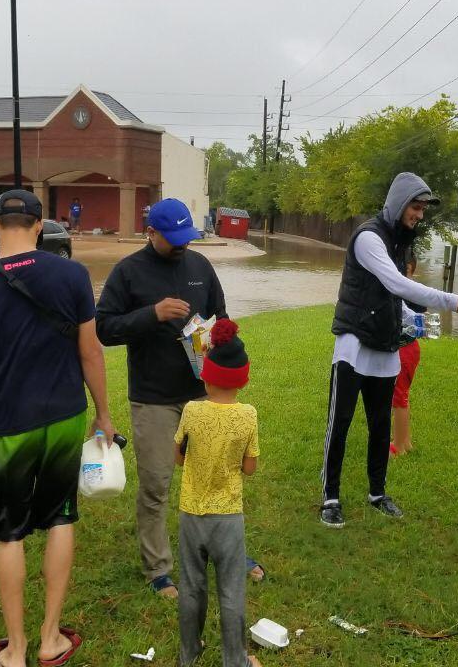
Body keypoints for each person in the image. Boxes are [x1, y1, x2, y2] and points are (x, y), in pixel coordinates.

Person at [0, 189, 116, 667]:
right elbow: (90, 351)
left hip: (13, 421)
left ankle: (16, 649)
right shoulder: (72, 274)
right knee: (61, 517)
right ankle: (51, 638)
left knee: (10, 531)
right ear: (40, 226)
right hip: (65, 414)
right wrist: (103, 413)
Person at [97, 197, 263, 598]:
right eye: (173, 239)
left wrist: (217, 337)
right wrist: (151, 314)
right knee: (156, 482)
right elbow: (104, 328)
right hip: (153, 397)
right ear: (150, 232)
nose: (182, 245)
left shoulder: (200, 266)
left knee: (213, 479)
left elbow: (221, 317)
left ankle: (223, 550)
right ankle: (158, 568)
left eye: (187, 237)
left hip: (201, 393)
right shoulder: (128, 272)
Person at [320, 172, 458, 528]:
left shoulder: (400, 242)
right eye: (416, 207)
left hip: (385, 345)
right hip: (354, 344)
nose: (419, 215)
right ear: (398, 203)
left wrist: (412, 321)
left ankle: (378, 493)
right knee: (340, 424)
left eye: (423, 210)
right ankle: (330, 497)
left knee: (379, 425)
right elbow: (397, 283)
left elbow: (393, 297)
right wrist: (454, 302)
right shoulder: (368, 237)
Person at [174, 318, 262, 667]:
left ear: (205, 375)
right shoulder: (248, 415)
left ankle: (188, 655)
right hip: (228, 517)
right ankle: (235, 660)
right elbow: (250, 468)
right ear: (244, 378)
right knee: (231, 592)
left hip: (191, 513)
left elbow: (178, 458)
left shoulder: (191, 411)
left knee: (192, 587)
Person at [390, 254, 422, 456]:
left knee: (398, 398)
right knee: (402, 396)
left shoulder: (407, 292)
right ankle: (405, 441)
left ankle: (398, 447)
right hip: (410, 348)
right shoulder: (416, 292)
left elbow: (411, 317)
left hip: (404, 350)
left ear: (408, 268)